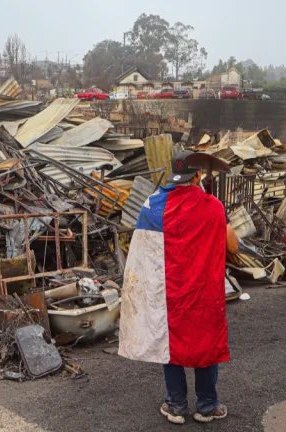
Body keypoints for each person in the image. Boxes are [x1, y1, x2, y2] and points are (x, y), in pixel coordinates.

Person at [118, 150, 239, 425]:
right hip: (205, 293)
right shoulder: (214, 207)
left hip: (168, 292)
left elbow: (141, 253)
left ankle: (176, 405)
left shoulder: (152, 206)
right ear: (198, 175)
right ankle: (207, 406)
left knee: (169, 344)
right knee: (205, 345)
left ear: (174, 175)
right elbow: (232, 246)